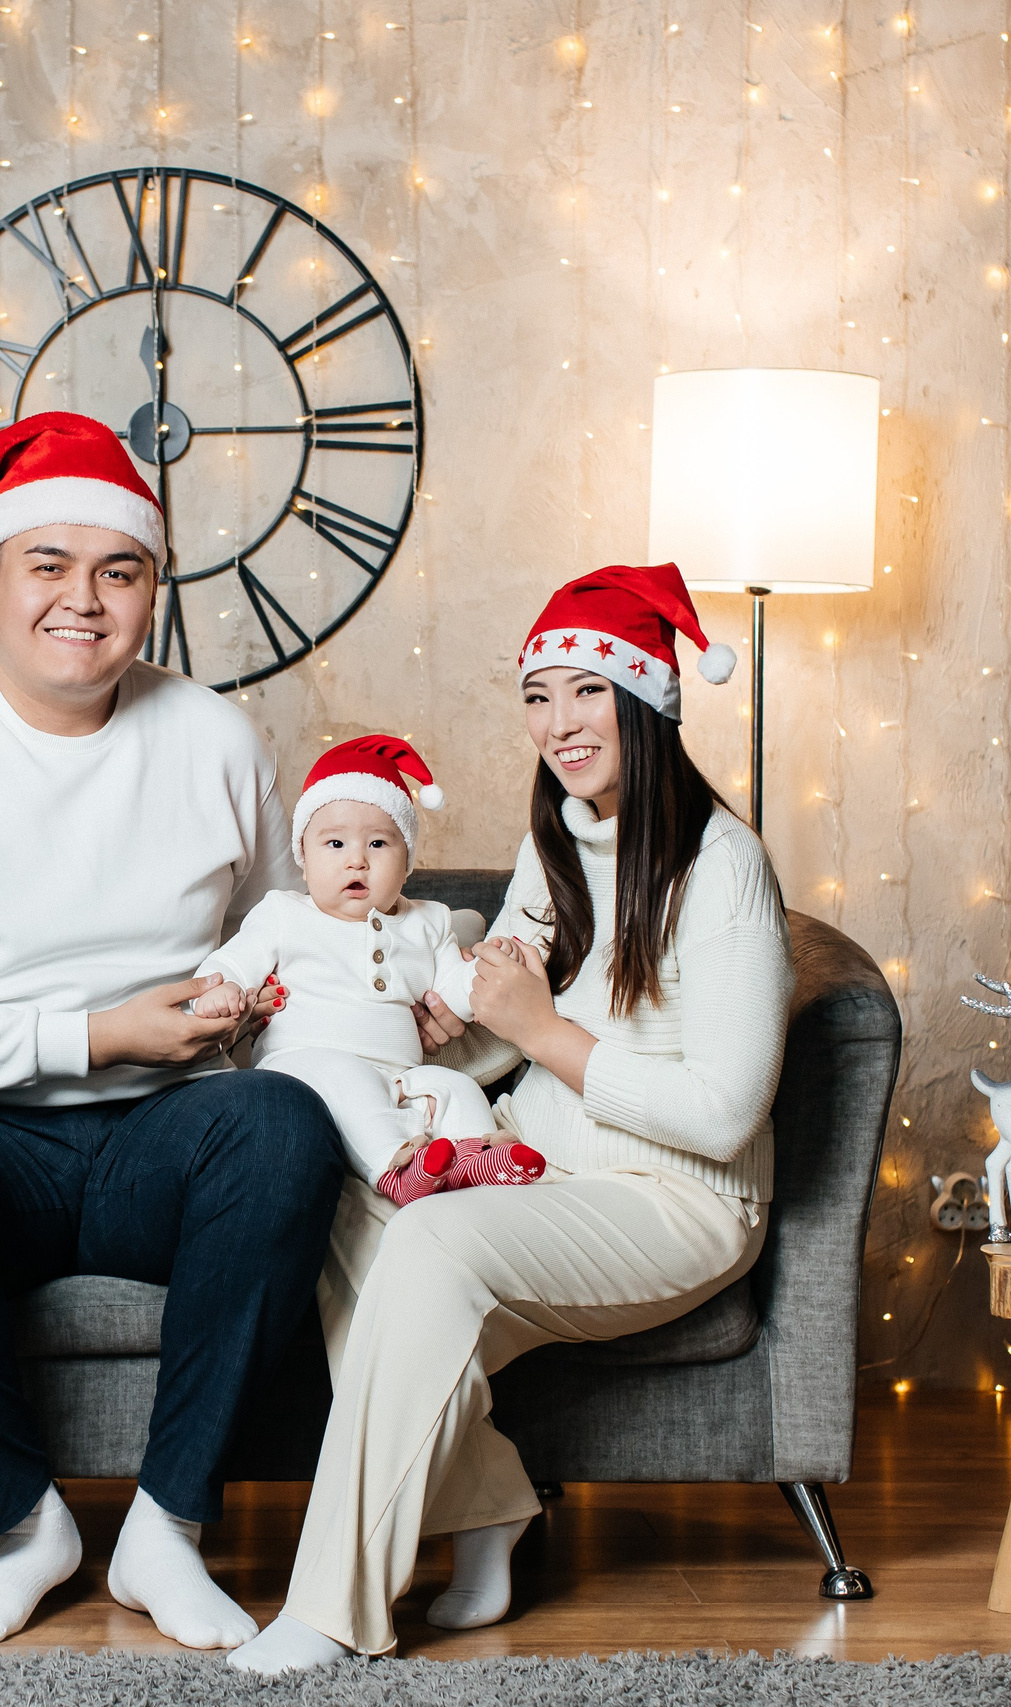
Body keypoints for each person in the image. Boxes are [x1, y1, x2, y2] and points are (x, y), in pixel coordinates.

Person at [0, 410, 343, 1652]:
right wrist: (96, 1035)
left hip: (170, 1135)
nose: (82, 601)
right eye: (48, 565)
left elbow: (281, 943)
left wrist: (304, 1005)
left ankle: (166, 1528)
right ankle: (20, 1524)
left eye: (119, 570)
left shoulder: (213, 737)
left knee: (283, 1123)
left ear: (154, 588)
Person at [230, 562, 795, 1673]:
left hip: (677, 1200)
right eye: (538, 695)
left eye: (587, 692)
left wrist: (540, 1031)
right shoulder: (557, 842)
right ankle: (489, 1508)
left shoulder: (723, 867)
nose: (558, 722)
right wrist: (409, 1021)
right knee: (345, 1209)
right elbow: (504, 1018)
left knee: (434, 1240)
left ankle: (329, 1610)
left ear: (647, 698)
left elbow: (726, 1113)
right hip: (541, 1165)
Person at [191, 733, 544, 1206]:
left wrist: (487, 969)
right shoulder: (284, 913)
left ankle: (475, 1159)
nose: (356, 859)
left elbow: (453, 994)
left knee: (455, 1086)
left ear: (408, 862)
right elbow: (233, 961)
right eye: (335, 843)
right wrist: (224, 989)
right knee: (346, 1077)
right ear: (304, 861)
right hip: (304, 1063)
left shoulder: (430, 922)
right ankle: (395, 1169)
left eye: (378, 843)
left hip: (400, 1073)